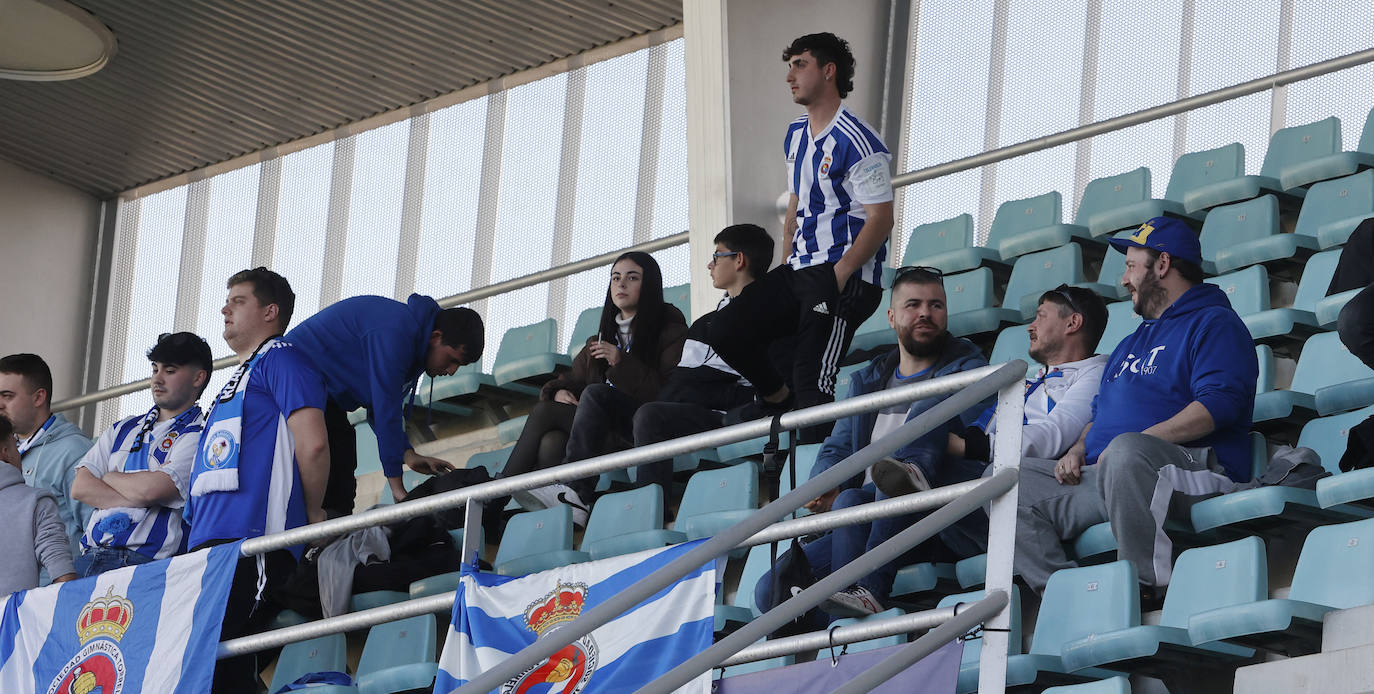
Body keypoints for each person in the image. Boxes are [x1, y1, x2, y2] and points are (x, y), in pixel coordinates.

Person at [1015, 217, 1258, 602]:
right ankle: (1066, 597)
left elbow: (1220, 405)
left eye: (1131, 266)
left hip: (1194, 467)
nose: (1124, 279)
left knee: (1127, 454)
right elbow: (1100, 415)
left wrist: (1138, 443)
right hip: (1111, 475)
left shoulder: (1215, 323)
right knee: (1012, 480)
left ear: (1161, 265)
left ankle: (1148, 588)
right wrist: (1078, 449)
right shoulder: (1130, 343)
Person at [754, 267, 992, 625]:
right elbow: (836, 447)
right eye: (913, 304)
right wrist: (824, 485)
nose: (926, 313)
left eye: (936, 305)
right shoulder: (869, 380)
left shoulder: (968, 367)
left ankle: (868, 594)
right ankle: (849, 624)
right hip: (869, 516)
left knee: (924, 417)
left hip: (940, 518)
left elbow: (967, 428)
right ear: (892, 317)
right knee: (772, 590)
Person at [709, 32, 893, 441]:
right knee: (720, 329)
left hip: (844, 277)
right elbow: (797, 197)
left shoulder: (860, 141)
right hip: (798, 271)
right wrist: (788, 254)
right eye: (789, 65)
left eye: (799, 65)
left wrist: (839, 274)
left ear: (828, 71)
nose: (789, 76)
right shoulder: (795, 133)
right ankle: (776, 397)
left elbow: (881, 219)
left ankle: (820, 488)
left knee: (812, 386)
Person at [185, 268, 330, 693]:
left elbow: (313, 443)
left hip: (254, 540)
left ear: (271, 311)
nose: (225, 308)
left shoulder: (283, 357)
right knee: (210, 664)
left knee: (218, 656)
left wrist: (312, 510)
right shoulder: (238, 376)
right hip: (209, 545)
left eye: (239, 300)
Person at [506, 251, 688, 525]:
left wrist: (621, 362)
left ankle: (500, 494)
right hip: (598, 437)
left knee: (575, 402)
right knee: (551, 440)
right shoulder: (599, 339)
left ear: (649, 284)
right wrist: (558, 392)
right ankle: (560, 516)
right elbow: (569, 379)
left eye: (632, 277)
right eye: (615, 278)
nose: (621, 284)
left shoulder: (670, 332)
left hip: (639, 431)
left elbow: (667, 395)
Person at [287, 294, 484, 514]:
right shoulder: (397, 333)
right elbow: (385, 409)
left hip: (318, 397)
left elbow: (378, 404)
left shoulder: (417, 345)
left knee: (341, 475)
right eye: (452, 360)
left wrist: (408, 454)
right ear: (436, 337)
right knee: (333, 477)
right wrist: (398, 491)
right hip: (291, 387)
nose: (451, 371)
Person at [630, 224, 773, 497]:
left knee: (649, 414)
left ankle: (647, 506)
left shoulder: (766, 317)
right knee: (613, 405)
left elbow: (761, 389)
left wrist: (699, 394)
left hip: (723, 416)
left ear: (739, 260)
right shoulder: (703, 323)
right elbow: (683, 381)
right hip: (690, 410)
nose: (710, 264)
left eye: (717, 256)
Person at [70, 332, 213, 577]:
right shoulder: (121, 428)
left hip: (147, 564)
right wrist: (142, 494)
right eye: (155, 369)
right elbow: (81, 488)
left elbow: (153, 490)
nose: (157, 379)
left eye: (170, 371)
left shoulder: (201, 434)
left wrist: (108, 476)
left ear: (198, 377)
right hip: (88, 557)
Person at [946, 285, 1109, 466]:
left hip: (1020, 472)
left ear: (1072, 323)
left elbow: (1055, 433)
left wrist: (967, 447)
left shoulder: (1096, 375)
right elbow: (981, 428)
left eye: (1041, 317)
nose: (1030, 327)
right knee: (928, 408)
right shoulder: (1031, 381)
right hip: (984, 462)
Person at [0, 353, 93, 557]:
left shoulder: (74, 451)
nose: (0, 404)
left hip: (57, 585)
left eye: (7, 396)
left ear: (39, 397)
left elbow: (97, 531)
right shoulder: (5, 449)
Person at [0, 414, 76, 596]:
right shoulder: (35, 503)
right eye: (15, 446)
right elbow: (63, 576)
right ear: (5, 453)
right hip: (12, 621)